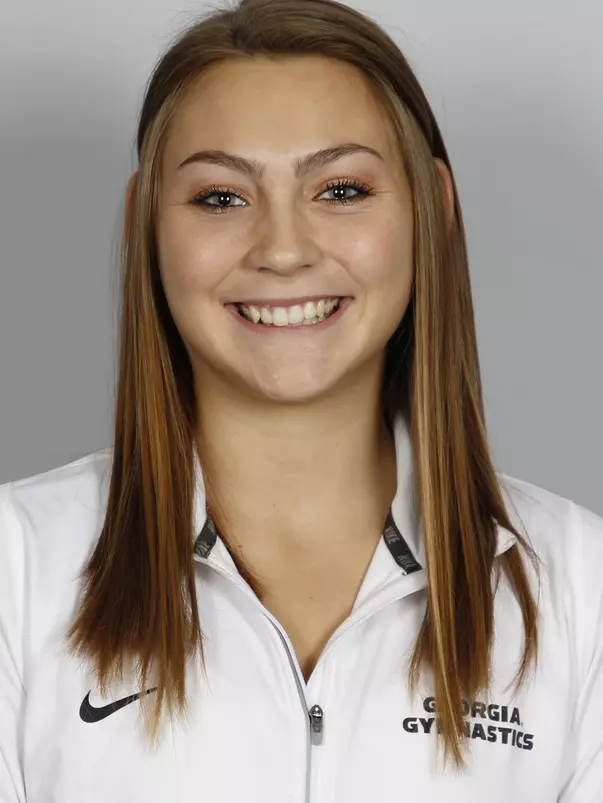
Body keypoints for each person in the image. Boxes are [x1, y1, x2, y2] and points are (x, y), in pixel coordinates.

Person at [1, 0, 602, 799]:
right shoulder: (16, 568)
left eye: (341, 189)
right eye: (221, 198)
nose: (282, 250)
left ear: (432, 207)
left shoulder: (580, 587)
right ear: (145, 221)